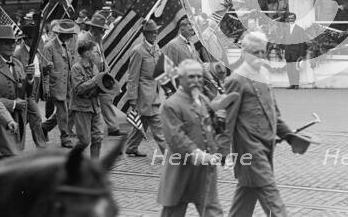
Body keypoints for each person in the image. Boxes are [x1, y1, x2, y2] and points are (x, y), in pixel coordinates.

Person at [218, 31, 296, 217]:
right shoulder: (236, 80)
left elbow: (274, 113)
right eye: (256, 52)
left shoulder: (264, 74)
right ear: (245, 53)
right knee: (272, 197)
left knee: (246, 196)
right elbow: (227, 120)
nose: (261, 56)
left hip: (266, 145)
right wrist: (222, 150)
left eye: (263, 51)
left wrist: (291, 136)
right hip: (249, 149)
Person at [157, 59, 225, 217]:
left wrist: (222, 122)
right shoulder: (171, 105)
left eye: (199, 76)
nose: (196, 80)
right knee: (173, 211)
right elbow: (176, 138)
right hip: (181, 169)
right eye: (191, 77)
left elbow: (213, 130)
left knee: (213, 211)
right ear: (180, 78)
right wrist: (200, 155)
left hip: (205, 170)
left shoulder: (203, 100)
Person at [0, 25, 35, 158]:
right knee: (6, 156)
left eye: (13, 42)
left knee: (16, 156)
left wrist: (30, 78)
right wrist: (13, 104)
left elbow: (26, 92)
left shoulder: (18, 64)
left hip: (19, 118)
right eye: (7, 43)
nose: (11, 46)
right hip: (2, 121)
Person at [125, 19, 168, 157]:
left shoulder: (156, 48)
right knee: (158, 126)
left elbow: (160, 70)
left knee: (142, 122)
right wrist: (132, 98)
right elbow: (132, 76)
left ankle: (131, 147)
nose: (155, 35)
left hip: (155, 93)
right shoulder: (138, 51)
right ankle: (170, 155)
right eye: (152, 33)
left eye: (156, 32)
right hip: (144, 95)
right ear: (145, 34)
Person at [79, 13, 125, 137]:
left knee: (106, 99)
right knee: (84, 104)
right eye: (101, 30)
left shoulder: (98, 40)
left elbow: (102, 56)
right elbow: (80, 60)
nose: (103, 32)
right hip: (89, 77)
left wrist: (106, 67)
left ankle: (113, 127)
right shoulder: (83, 40)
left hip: (101, 76)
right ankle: (61, 126)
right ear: (94, 29)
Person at [41, 19, 78, 148]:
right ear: (61, 33)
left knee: (65, 110)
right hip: (55, 84)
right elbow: (44, 70)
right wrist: (46, 89)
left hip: (67, 85)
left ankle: (44, 127)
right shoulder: (49, 47)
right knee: (63, 110)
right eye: (69, 33)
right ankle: (65, 137)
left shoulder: (66, 45)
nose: (71, 36)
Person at [70, 39, 106, 158]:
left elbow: (97, 85)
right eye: (94, 52)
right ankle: (71, 160)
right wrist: (95, 80)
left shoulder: (94, 67)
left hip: (95, 106)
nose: (96, 54)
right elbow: (79, 89)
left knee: (98, 138)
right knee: (84, 141)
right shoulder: (76, 68)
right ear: (87, 53)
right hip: (82, 108)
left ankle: (94, 167)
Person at [13, 28, 47, 148]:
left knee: (27, 116)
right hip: (26, 89)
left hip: (36, 84)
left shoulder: (36, 50)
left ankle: (14, 141)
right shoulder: (18, 53)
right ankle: (41, 144)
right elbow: (18, 74)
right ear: (27, 39)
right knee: (36, 116)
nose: (38, 40)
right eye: (34, 38)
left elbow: (39, 68)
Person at [281, 12, 307, 89]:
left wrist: (302, 54)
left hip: (296, 52)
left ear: (295, 19)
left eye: (292, 18)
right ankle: (291, 84)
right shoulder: (286, 29)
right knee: (289, 69)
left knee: (295, 69)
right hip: (288, 52)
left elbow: (302, 43)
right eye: (289, 18)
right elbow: (283, 40)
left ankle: (296, 84)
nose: (291, 20)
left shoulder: (300, 29)